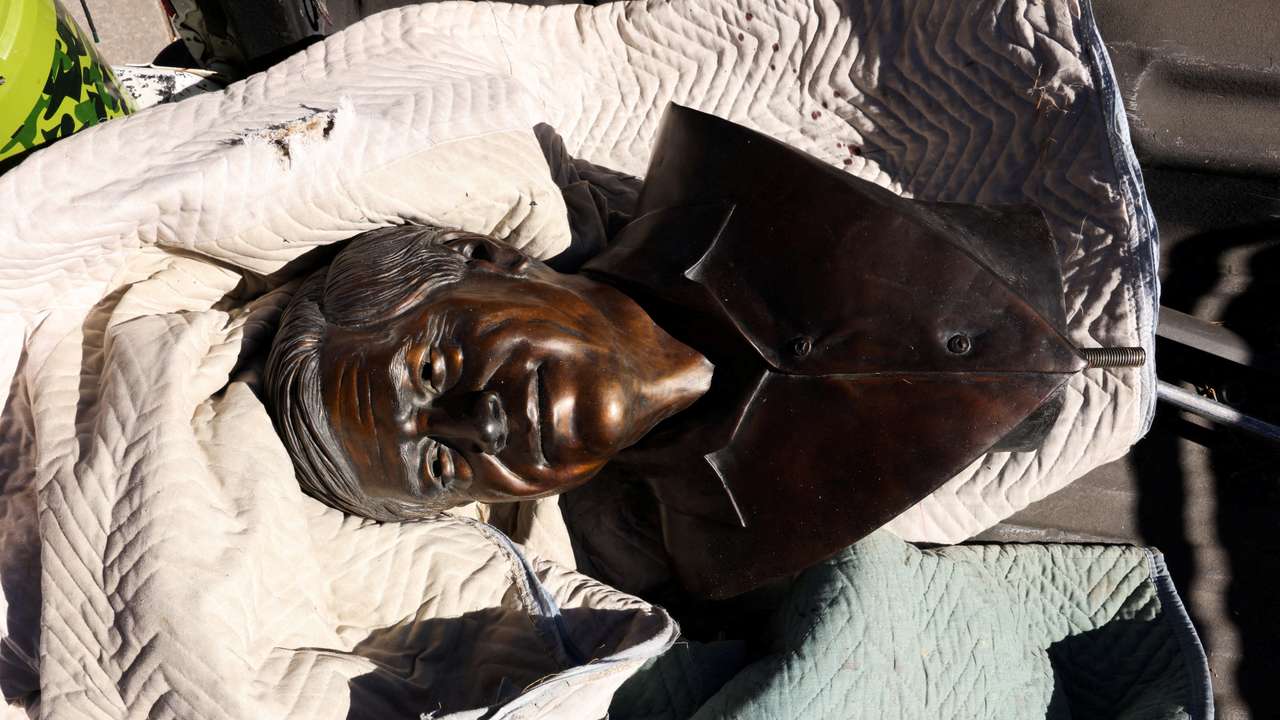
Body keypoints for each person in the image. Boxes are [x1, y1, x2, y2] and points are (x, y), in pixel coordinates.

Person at [266, 104, 1135, 598]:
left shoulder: (722, 188)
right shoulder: (703, 557)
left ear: (489, 262)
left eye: (433, 370)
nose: (479, 424)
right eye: (445, 471)